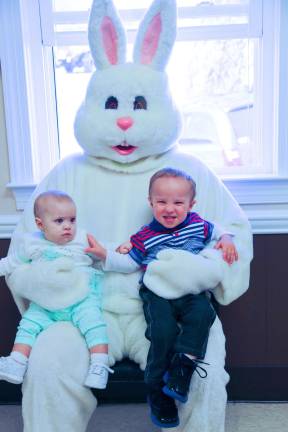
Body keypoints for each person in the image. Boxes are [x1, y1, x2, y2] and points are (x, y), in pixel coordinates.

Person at [5, 1, 253, 431]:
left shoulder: (189, 173)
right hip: (82, 304)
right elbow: (25, 249)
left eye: (139, 104)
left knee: (201, 361)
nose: (124, 119)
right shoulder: (65, 172)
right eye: (114, 105)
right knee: (47, 364)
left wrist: (187, 270)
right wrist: (48, 282)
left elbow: (230, 237)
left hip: (164, 305)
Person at [85, 167, 238, 428]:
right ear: (151, 203)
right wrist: (104, 254)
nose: (170, 209)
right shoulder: (144, 236)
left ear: (191, 204)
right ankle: (158, 394)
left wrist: (226, 239)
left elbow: (219, 230)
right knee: (162, 333)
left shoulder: (199, 225)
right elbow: (128, 263)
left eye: (178, 202)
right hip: (157, 292)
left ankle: (183, 367)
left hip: (190, 290)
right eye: (162, 202)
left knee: (203, 315)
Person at [0, 190, 112, 389]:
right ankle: (17, 362)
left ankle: (99, 365)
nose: (68, 226)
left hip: (81, 297)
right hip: (48, 302)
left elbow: (104, 251)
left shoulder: (83, 238)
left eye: (72, 219)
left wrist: (112, 251)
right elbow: (11, 263)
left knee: (93, 323)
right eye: (59, 221)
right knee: (29, 322)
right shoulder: (31, 243)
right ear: (40, 224)